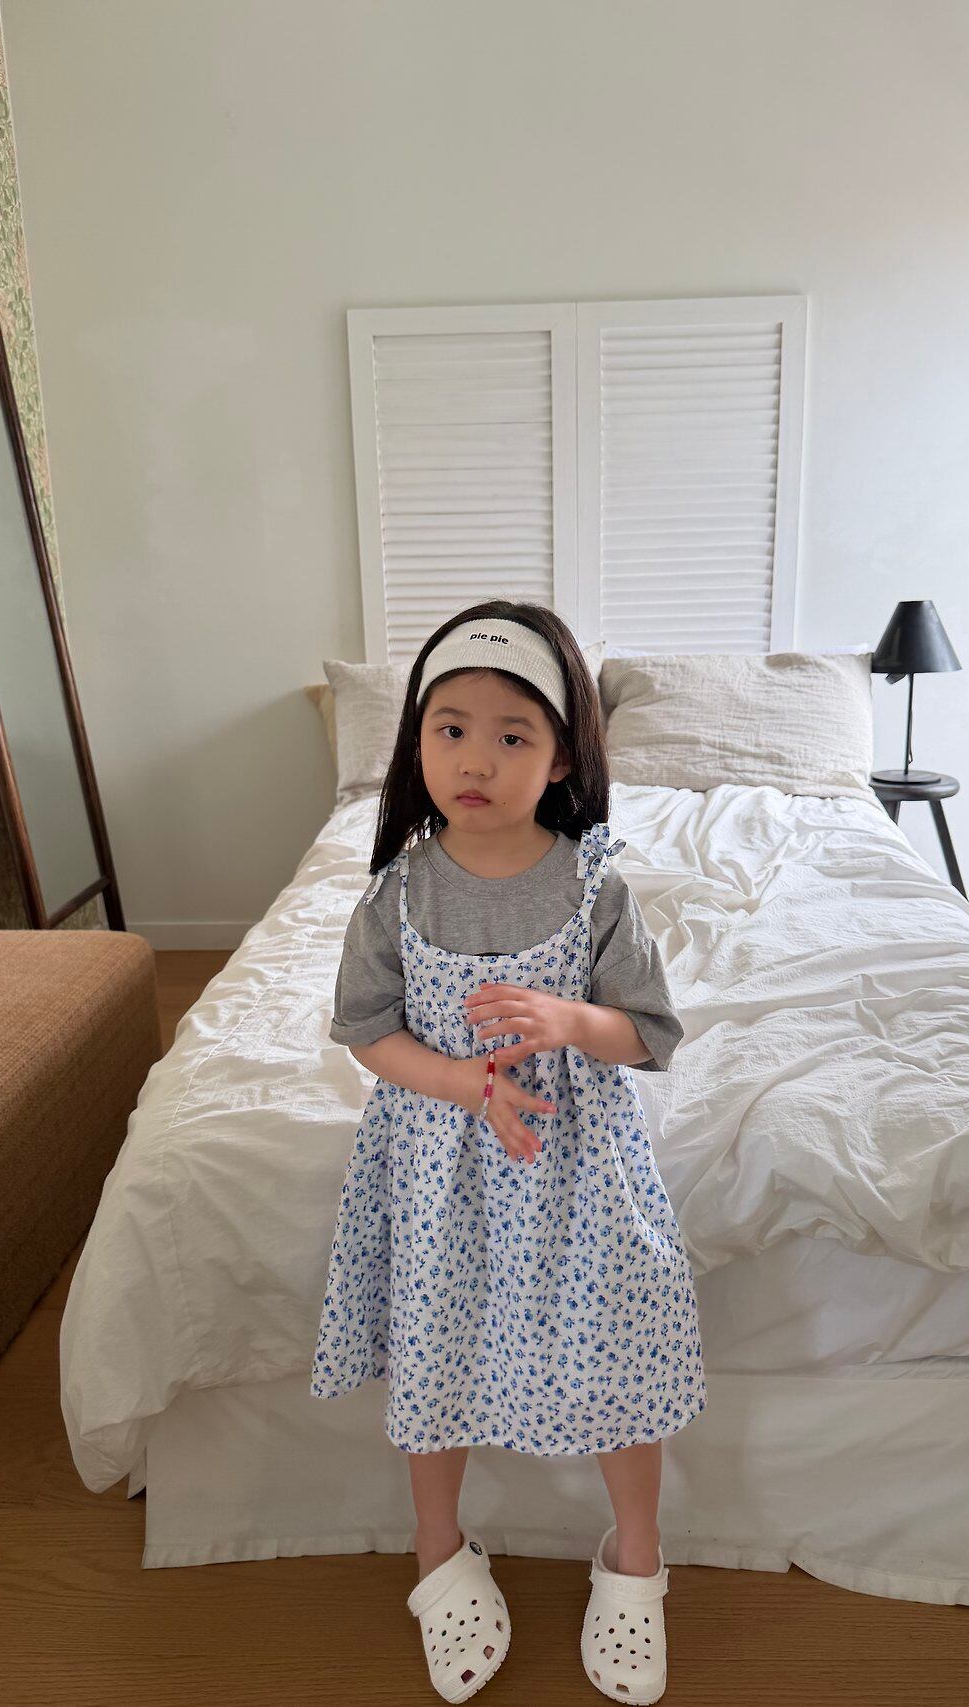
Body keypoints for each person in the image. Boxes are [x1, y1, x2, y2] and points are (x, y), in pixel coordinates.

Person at [309, 599, 706, 1704]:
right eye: (450, 729)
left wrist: (570, 1019)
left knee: (622, 1336)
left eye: (511, 735)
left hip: (575, 1169)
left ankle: (636, 1555)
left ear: (562, 756)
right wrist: (465, 1084)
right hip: (438, 1174)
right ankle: (438, 1551)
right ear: (417, 741)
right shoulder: (397, 892)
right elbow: (366, 1032)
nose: (475, 760)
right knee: (432, 1353)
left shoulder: (593, 887)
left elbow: (651, 1033)